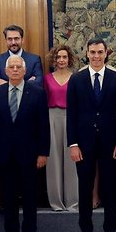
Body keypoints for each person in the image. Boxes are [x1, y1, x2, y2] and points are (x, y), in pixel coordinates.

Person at [66, 38, 116, 232]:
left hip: (111, 143)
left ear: (106, 53)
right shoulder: (77, 79)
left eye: (100, 52)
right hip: (83, 144)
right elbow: (72, 114)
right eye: (92, 52)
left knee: (110, 187)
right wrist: (72, 144)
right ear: (86, 53)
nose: (96, 56)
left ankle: (110, 231)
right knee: (85, 188)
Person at [0, 55, 50, 232]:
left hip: (30, 154)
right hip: (4, 153)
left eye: (18, 67)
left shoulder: (37, 92)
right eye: (11, 67)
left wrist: (43, 152)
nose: (15, 70)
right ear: (6, 71)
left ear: (24, 71)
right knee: (8, 195)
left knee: (30, 195)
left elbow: (43, 126)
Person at [43, 45, 78, 211]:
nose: (62, 60)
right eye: (58, 57)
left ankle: (72, 202)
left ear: (69, 59)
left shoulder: (76, 78)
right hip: (52, 118)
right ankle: (56, 202)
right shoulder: (47, 78)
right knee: (53, 162)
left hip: (72, 118)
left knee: (72, 161)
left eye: (64, 57)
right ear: (54, 60)